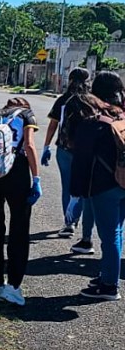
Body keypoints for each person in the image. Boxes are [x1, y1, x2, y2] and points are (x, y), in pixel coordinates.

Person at [67, 71, 125, 300]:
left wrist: (76, 191)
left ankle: (110, 285)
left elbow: (81, 159)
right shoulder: (121, 116)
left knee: (109, 236)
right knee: (117, 233)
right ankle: (107, 275)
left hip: (104, 186)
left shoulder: (93, 122)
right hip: (123, 183)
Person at [0, 98, 41, 306]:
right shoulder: (26, 115)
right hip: (16, 170)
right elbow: (30, 146)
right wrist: (36, 178)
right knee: (19, 228)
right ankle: (14, 286)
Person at [43, 68, 95, 252]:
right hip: (87, 151)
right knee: (85, 187)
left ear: (70, 79)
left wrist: (46, 146)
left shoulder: (63, 100)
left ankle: (69, 223)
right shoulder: (93, 100)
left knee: (68, 186)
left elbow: (52, 125)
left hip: (65, 148)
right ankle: (84, 228)